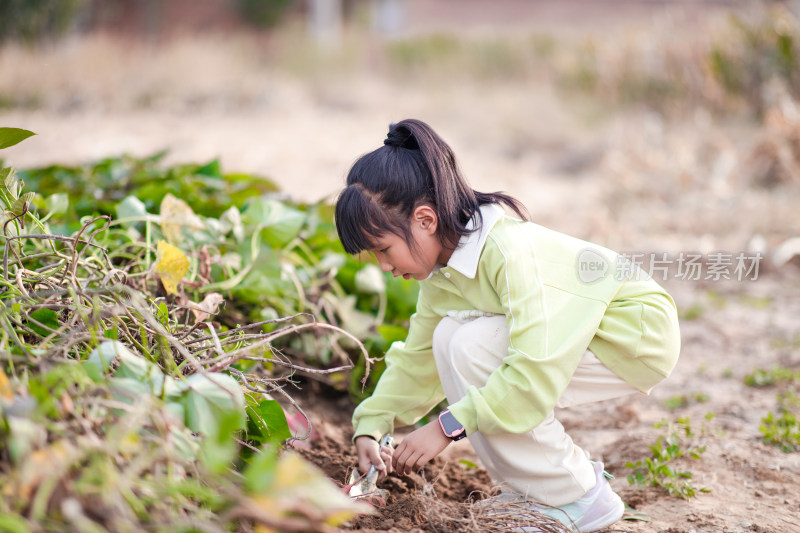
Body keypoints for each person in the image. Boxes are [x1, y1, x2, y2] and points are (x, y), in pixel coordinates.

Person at [334, 119, 680, 532]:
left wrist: (446, 428)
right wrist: (372, 424)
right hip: (584, 335)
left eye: (384, 250)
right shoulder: (443, 276)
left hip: (634, 332)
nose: (385, 267)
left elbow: (534, 372)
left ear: (425, 220)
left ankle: (578, 496)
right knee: (447, 337)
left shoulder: (507, 251)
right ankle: (532, 491)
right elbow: (418, 360)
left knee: (472, 347)